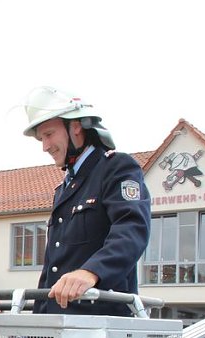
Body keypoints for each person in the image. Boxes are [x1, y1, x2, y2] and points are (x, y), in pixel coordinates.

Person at [22, 86, 151, 316]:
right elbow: (51, 267)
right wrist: (36, 334)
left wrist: (91, 272)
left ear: (76, 126)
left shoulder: (117, 168)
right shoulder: (63, 189)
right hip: (59, 328)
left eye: (49, 134)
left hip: (100, 326)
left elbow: (131, 228)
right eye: (41, 138)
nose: (45, 146)